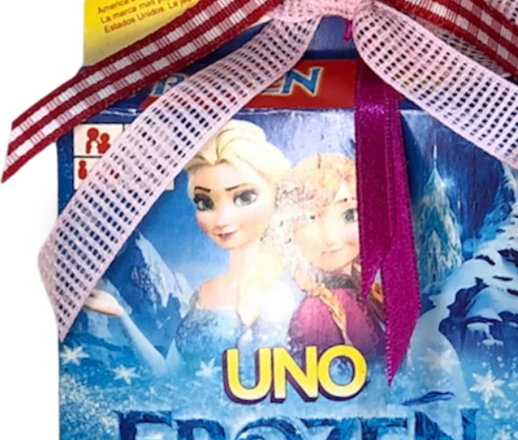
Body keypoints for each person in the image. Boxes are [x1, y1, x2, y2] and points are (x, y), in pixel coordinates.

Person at [85, 121, 296, 370]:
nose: (222, 219)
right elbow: (167, 373)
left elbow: (266, 384)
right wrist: (120, 314)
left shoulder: (276, 297)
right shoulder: (202, 293)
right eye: (205, 203)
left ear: (276, 198)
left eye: (244, 197)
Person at [280, 151, 385, 360]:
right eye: (309, 218)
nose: (331, 238)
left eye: (350, 215)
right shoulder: (315, 312)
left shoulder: (365, 294)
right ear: (290, 230)